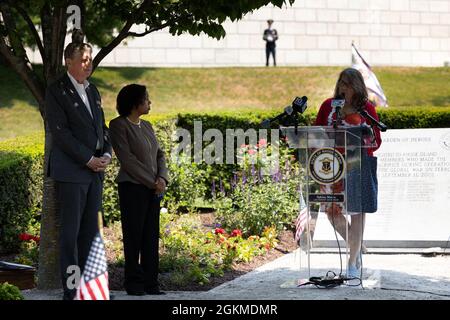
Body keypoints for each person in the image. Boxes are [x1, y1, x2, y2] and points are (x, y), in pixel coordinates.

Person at [45, 29, 112, 300]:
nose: (89, 63)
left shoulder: (93, 90)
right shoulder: (56, 91)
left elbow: (102, 128)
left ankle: (91, 288)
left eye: (90, 59)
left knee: (91, 234)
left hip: (95, 173)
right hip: (72, 173)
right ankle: (71, 290)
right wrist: (88, 159)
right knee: (70, 235)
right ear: (68, 62)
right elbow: (61, 134)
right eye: (83, 59)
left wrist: (106, 153)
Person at [314, 68, 382, 278]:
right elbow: (316, 132)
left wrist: (360, 138)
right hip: (331, 166)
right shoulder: (329, 105)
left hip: (358, 165)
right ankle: (357, 245)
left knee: (358, 212)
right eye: (342, 83)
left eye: (349, 83)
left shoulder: (367, 109)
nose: (344, 87)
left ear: (358, 86)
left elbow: (377, 141)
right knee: (332, 213)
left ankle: (352, 262)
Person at [109, 84, 169, 296]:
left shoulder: (147, 126)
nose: (150, 102)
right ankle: (134, 284)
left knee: (151, 237)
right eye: (146, 99)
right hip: (132, 189)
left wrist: (162, 178)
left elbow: (160, 155)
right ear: (135, 103)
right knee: (134, 237)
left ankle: (151, 284)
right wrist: (153, 182)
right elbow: (127, 160)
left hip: (153, 189)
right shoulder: (118, 125)